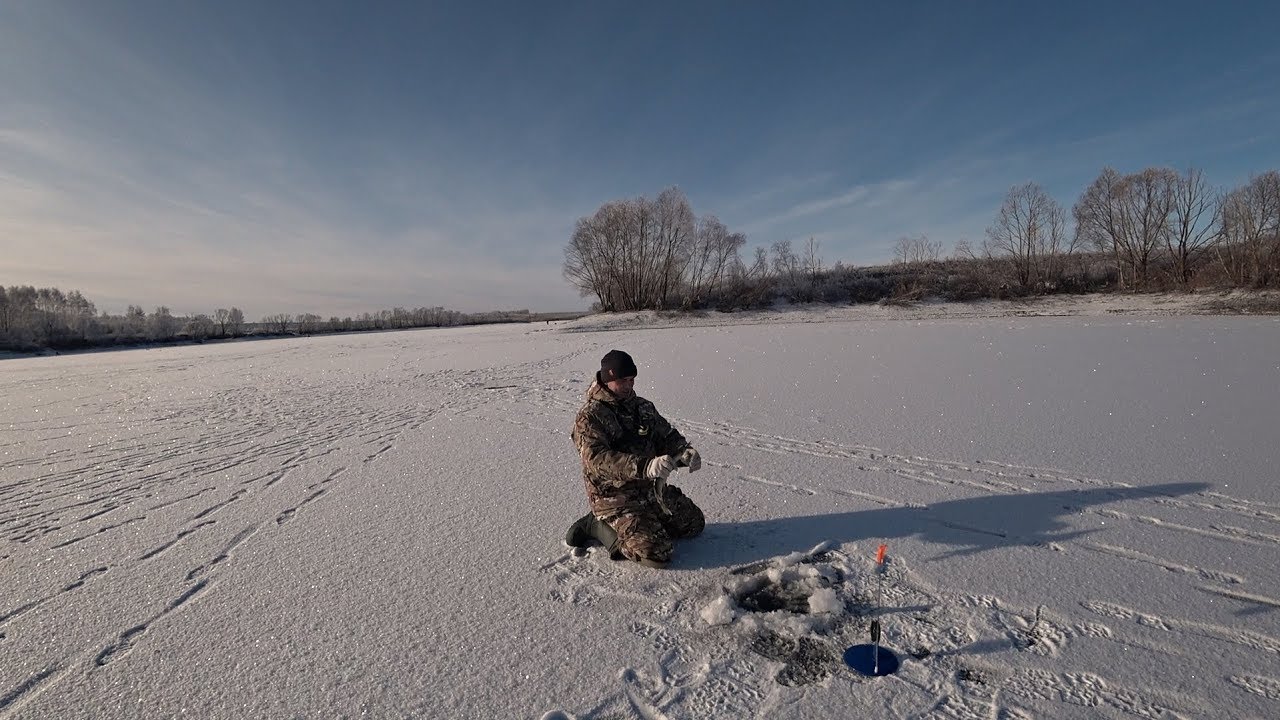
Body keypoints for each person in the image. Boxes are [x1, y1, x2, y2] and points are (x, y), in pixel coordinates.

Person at [565, 349, 705, 568]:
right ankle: (598, 525)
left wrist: (684, 452)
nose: (629, 385)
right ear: (609, 379)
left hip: (649, 492)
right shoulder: (590, 416)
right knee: (657, 553)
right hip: (614, 498)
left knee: (694, 524)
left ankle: (647, 522)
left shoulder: (642, 407)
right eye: (623, 380)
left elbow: (666, 435)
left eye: (632, 380)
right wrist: (644, 466)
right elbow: (597, 459)